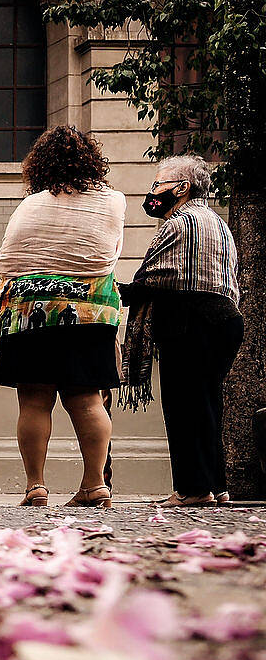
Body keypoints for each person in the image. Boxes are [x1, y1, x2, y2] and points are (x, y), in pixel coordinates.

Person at [0, 125, 125, 508]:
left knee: (34, 401)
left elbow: (6, 262)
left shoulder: (32, 204)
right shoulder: (114, 201)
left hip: (31, 314)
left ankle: (35, 486)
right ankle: (95, 484)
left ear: (39, 165)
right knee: (88, 399)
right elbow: (108, 255)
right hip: (91, 314)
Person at [120, 155, 242, 507]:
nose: (153, 191)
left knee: (184, 405)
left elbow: (155, 277)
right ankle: (215, 485)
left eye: (159, 184)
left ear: (183, 187)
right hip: (225, 319)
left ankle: (192, 489)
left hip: (190, 319)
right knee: (207, 403)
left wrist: (121, 290)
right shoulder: (217, 221)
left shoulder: (180, 222)